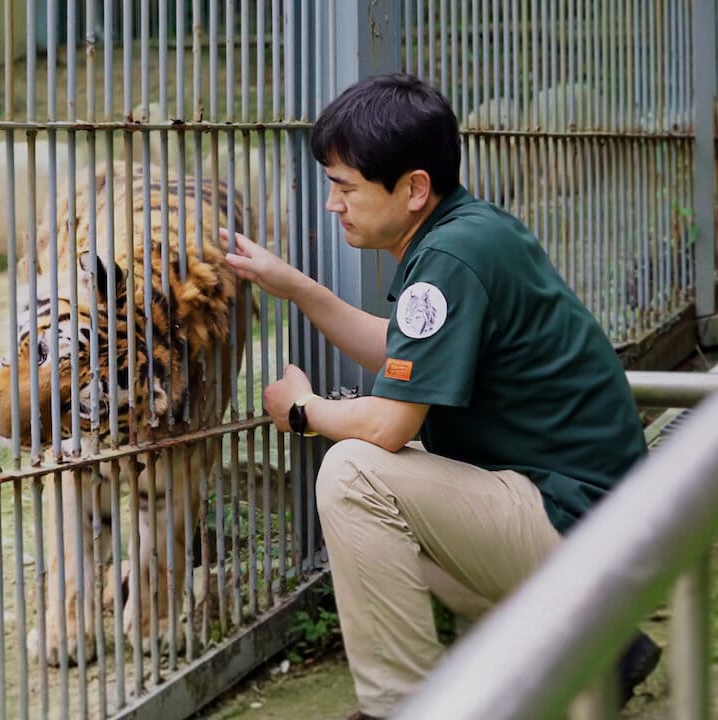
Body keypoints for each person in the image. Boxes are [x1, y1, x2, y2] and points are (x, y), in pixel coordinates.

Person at [221, 73, 660, 719]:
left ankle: (404, 708)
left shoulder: (450, 258)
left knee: (356, 475)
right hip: (601, 521)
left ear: (414, 188)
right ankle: (598, 650)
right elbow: (409, 356)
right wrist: (298, 288)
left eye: (345, 186)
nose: (332, 204)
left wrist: (301, 411)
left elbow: (391, 424)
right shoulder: (469, 233)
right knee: (393, 513)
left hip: (585, 528)